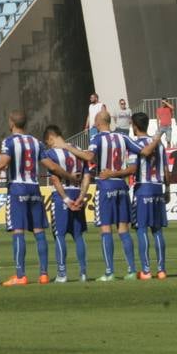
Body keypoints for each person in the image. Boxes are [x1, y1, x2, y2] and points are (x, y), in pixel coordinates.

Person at [61, 109, 162, 280]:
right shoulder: (123, 137)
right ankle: (131, 270)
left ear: (99, 122)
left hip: (106, 186)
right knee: (123, 230)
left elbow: (88, 156)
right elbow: (145, 151)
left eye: (95, 121)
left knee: (105, 229)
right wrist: (157, 138)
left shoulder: (97, 138)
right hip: (122, 187)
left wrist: (66, 146)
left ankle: (109, 272)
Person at [0, 111, 49, 285]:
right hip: (34, 188)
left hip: (17, 187)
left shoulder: (9, 141)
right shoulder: (36, 142)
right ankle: (44, 274)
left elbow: (3, 163)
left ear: (11, 123)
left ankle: (20, 275)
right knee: (39, 231)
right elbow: (49, 164)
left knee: (18, 231)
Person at [41, 125, 90, 283]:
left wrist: (67, 200)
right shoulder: (77, 149)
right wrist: (81, 196)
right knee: (78, 235)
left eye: (48, 142)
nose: (49, 145)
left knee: (59, 235)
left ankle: (62, 274)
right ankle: (83, 273)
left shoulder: (50, 153)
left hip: (62, 196)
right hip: (78, 193)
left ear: (50, 138)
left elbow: (55, 179)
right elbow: (87, 176)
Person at [128, 111, 170, 278]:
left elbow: (132, 167)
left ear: (135, 126)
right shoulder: (158, 145)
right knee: (157, 230)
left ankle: (146, 270)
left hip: (142, 188)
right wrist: (168, 190)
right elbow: (167, 170)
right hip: (158, 188)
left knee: (141, 229)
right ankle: (161, 270)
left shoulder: (134, 143)